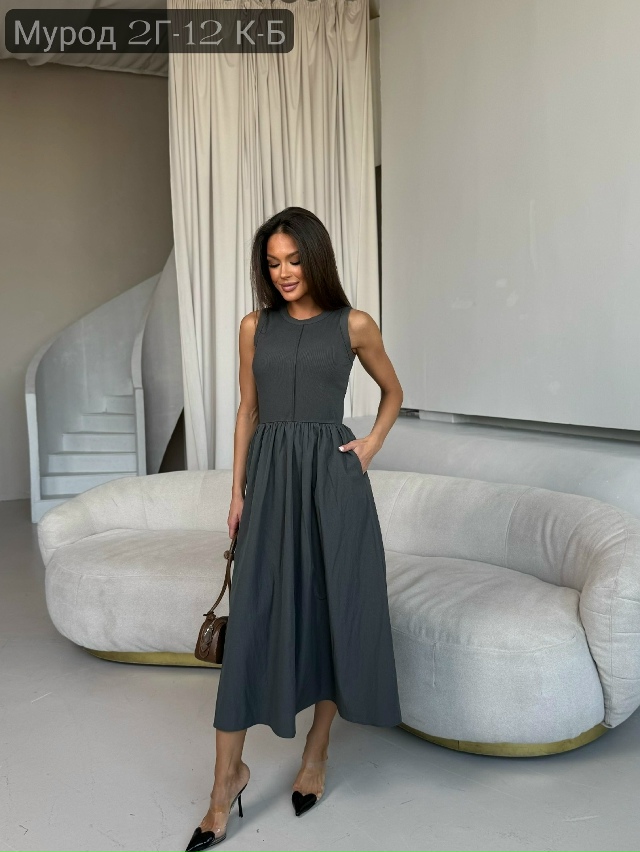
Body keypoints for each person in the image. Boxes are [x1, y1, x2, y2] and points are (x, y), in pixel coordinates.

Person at [185, 206, 404, 851]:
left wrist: (369, 446)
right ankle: (224, 786)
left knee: (334, 614)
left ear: (316, 258)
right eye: (273, 262)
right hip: (270, 486)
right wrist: (236, 494)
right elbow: (248, 411)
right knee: (255, 619)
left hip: (334, 488)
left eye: (294, 260)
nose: (284, 272)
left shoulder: (354, 324)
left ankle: (316, 751)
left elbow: (393, 391)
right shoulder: (255, 327)